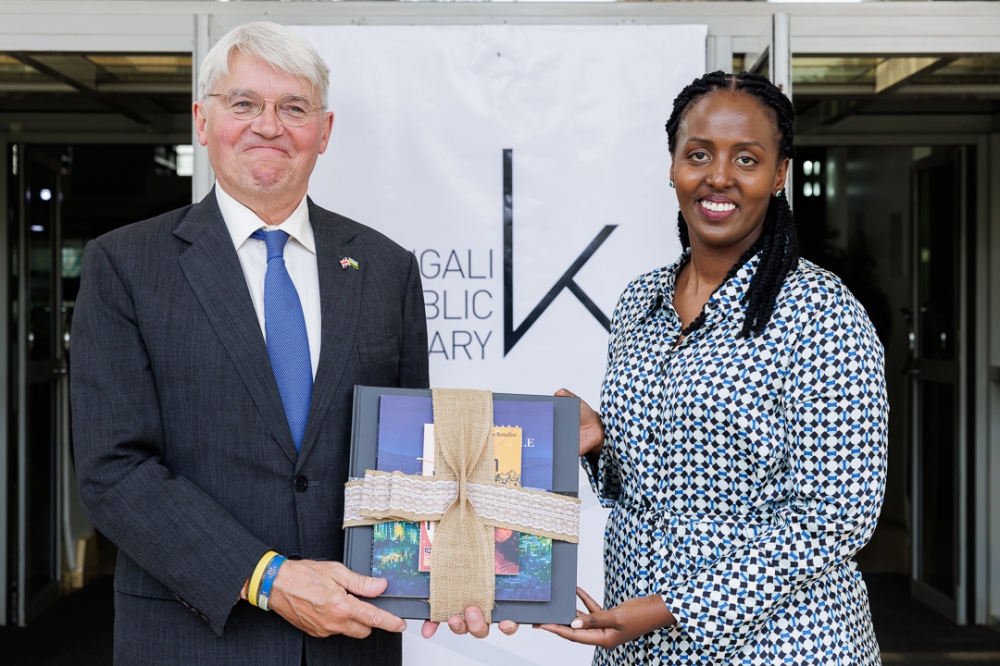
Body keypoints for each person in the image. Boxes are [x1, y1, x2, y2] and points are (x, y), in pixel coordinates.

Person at [71, 22, 429, 665]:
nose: (269, 125)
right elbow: (112, 470)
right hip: (192, 640)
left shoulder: (386, 269)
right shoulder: (124, 264)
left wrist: (464, 575)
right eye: (244, 104)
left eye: (294, 107)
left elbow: (407, 463)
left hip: (348, 642)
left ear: (324, 131)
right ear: (203, 122)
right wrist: (268, 577)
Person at [541, 71, 887, 665]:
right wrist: (602, 449)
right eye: (698, 154)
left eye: (746, 158)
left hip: (781, 646)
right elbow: (664, 487)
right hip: (639, 644)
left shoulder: (821, 313)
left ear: (779, 175)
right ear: (673, 165)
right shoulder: (639, 303)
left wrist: (670, 605)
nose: (718, 176)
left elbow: (836, 518)